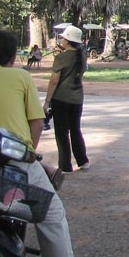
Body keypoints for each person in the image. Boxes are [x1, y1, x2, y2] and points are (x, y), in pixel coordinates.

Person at [0, 30, 80, 257]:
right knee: (52, 215)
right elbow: (36, 123)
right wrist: (29, 153)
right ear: (13, 57)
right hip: (14, 161)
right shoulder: (20, 77)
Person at [44, 25, 90, 175]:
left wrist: (46, 101)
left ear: (68, 40)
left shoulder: (61, 58)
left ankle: (65, 165)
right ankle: (83, 161)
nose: (62, 40)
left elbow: (54, 81)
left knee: (61, 132)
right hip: (77, 97)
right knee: (75, 129)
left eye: (64, 38)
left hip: (61, 98)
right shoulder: (82, 55)